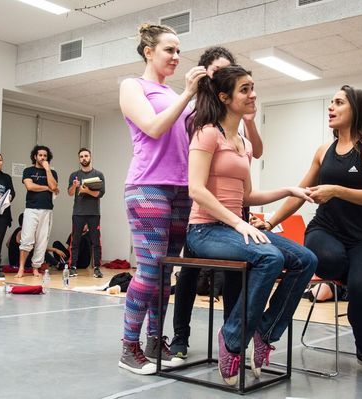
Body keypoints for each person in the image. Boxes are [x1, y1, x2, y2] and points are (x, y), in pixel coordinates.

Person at [255, 85, 362, 379]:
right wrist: (270, 223)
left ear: (356, 110)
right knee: (332, 262)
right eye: (331, 102)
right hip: (325, 231)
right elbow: (301, 193)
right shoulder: (324, 151)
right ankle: (359, 280)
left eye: (338, 103)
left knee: (361, 287)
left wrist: (336, 190)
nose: (331, 108)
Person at [186, 65, 317, 386]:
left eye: (252, 87)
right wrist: (237, 222)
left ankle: (265, 332)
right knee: (270, 257)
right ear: (224, 97)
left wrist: (288, 190)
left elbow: (247, 195)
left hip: (233, 228)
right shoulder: (206, 133)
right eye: (244, 89)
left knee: (306, 260)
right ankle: (232, 339)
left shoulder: (242, 142)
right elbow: (196, 190)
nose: (252, 94)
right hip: (204, 231)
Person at [117, 22, 207, 375]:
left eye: (178, 50)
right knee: (151, 268)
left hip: (181, 189)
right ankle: (129, 346)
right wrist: (187, 95)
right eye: (169, 49)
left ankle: (156, 339)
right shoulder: (132, 86)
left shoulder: (174, 95)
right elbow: (154, 128)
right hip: (147, 187)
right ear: (148, 51)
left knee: (165, 271)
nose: (176, 56)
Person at [170, 46, 264, 359]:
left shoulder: (236, 112)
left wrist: (248, 119)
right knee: (190, 272)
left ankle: (231, 341)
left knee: (238, 272)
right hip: (204, 202)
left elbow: (257, 151)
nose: (223, 75)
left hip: (235, 204)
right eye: (217, 72)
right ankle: (180, 337)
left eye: (229, 69)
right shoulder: (199, 116)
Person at [16, 145, 59, 278]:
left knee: (42, 241)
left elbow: (54, 186)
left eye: (45, 156)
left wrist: (47, 169)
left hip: (47, 210)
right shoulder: (28, 170)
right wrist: (46, 188)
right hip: (31, 209)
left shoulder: (52, 172)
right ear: (35, 156)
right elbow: (30, 186)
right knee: (27, 239)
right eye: (40, 155)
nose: (42, 157)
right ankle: (21, 268)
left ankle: (36, 268)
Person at [68, 147, 105, 278]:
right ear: (79, 159)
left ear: (90, 157)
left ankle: (97, 268)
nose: (84, 158)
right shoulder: (74, 175)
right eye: (81, 156)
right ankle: (72, 267)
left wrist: (86, 191)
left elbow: (100, 194)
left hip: (94, 213)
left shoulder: (98, 174)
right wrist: (75, 186)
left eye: (86, 156)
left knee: (96, 241)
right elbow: (70, 193)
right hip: (78, 213)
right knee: (75, 241)